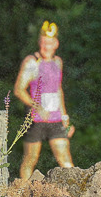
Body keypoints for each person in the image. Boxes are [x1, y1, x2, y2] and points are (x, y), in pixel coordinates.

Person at [13, 20, 76, 179]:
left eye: (49, 43)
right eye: (43, 43)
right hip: (36, 119)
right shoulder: (32, 62)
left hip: (55, 118)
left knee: (65, 158)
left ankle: (76, 194)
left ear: (56, 44)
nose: (45, 47)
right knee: (30, 159)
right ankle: (23, 194)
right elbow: (19, 90)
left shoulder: (57, 62)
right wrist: (36, 106)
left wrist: (64, 116)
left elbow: (58, 89)